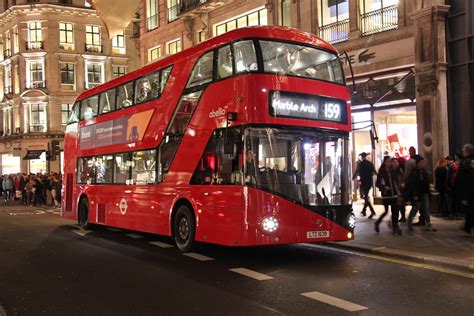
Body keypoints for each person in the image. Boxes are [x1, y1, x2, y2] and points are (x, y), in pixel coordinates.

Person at [406, 156, 436, 232]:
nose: (422, 164)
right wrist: (414, 194)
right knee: (415, 208)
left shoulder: (424, 172)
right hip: (417, 193)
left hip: (424, 192)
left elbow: (426, 183)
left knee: (426, 208)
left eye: (423, 163)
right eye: (421, 163)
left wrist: (429, 193)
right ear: (417, 163)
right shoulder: (413, 172)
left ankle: (428, 224)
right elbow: (412, 184)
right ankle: (409, 222)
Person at [375, 156, 402, 235]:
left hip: (394, 194)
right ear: (384, 162)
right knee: (386, 211)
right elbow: (378, 183)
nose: (389, 163)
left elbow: (395, 183)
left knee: (395, 211)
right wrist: (384, 187)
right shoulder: (382, 171)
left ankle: (395, 227)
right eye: (387, 161)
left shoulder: (393, 171)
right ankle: (377, 222)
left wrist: (398, 193)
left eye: (390, 161)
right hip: (386, 194)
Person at [456, 144, 474, 234]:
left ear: (467, 151)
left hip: (468, 190)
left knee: (470, 209)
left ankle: (468, 226)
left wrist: (462, 194)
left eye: (463, 150)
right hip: (469, 189)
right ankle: (467, 226)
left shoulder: (465, 162)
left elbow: (463, 179)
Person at [352, 152, 377, 218]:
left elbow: (357, 171)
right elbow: (374, 172)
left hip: (363, 182)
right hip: (369, 182)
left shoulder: (360, 164)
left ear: (362, 157)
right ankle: (364, 210)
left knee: (366, 197)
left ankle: (372, 211)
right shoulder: (370, 164)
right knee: (366, 196)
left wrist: (353, 177)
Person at [391, 158, 406, 222]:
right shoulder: (391, 171)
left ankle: (403, 216)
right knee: (397, 205)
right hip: (395, 190)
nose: (396, 163)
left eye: (397, 162)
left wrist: (403, 183)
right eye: (394, 162)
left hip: (401, 188)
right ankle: (396, 219)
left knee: (402, 204)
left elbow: (403, 178)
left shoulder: (400, 170)